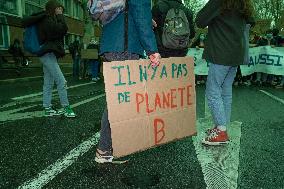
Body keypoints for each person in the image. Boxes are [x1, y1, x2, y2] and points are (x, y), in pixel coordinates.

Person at [95, 0, 161, 163]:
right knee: (117, 102)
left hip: (113, 44)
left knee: (117, 99)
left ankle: (108, 147)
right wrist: (152, 50)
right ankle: (104, 149)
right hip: (125, 47)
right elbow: (140, 13)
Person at [196, 0, 254, 145]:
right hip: (236, 53)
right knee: (225, 91)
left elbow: (200, 21)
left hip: (221, 53)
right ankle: (222, 126)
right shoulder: (243, 3)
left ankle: (221, 131)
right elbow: (251, 21)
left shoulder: (220, 2)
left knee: (213, 91)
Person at [23, 0, 76, 118]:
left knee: (48, 82)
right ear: (53, 9)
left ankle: (47, 108)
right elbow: (62, 29)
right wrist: (60, 16)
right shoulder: (46, 19)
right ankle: (66, 108)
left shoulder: (46, 19)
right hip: (46, 54)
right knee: (61, 81)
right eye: (59, 9)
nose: (60, 11)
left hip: (48, 54)